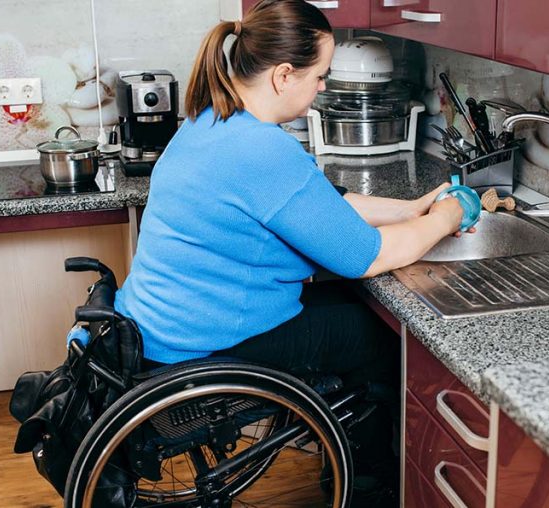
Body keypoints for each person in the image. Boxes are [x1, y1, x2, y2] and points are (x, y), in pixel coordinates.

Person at [113, 0, 469, 503]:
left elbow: (318, 204)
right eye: (320, 75)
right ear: (284, 75)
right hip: (208, 345)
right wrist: (448, 218)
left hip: (161, 330)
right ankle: (370, 487)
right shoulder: (262, 150)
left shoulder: (210, 122)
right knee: (379, 338)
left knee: (347, 312)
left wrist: (412, 209)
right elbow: (365, 257)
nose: (322, 88)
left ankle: (340, 456)